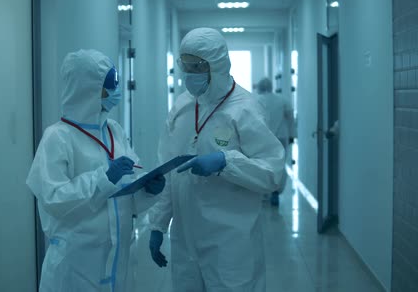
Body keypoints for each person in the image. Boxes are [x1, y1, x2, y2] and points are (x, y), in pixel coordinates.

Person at [147, 28, 285, 292]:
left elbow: (273, 173)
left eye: (196, 66)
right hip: (186, 241)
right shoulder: (182, 108)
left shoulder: (245, 109)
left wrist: (227, 162)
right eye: (184, 65)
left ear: (217, 65)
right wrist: (158, 223)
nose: (189, 74)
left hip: (231, 244)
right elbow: (167, 169)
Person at [26, 49, 165, 292]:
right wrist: (103, 179)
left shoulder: (113, 130)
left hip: (117, 260)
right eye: (110, 85)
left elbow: (127, 193)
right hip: (76, 263)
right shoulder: (58, 137)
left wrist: (148, 191)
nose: (116, 91)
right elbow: (53, 199)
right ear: (88, 90)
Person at [256, 77, 296, 206]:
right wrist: (292, 136)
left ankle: (264, 193)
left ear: (259, 87)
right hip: (281, 138)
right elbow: (291, 119)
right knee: (279, 166)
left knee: (262, 166)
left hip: (262, 139)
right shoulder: (283, 100)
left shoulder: (256, 100)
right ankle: (276, 193)